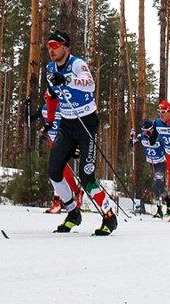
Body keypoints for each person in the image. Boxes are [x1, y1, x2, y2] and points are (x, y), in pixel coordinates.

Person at [43, 30, 118, 235]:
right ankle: (73, 212)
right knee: (54, 171)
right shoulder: (49, 68)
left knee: (87, 177)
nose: (52, 49)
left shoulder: (77, 64)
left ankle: (109, 216)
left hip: (86, 122)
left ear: (66, 47)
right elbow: (51, 95)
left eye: (56, 45)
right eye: (49, 45)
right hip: (66, 124)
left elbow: (89, 84)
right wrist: (50, 121)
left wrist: (66, 80)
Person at [131, 119, 169, 217]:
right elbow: (131, 144)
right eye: (144, 131)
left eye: (148, 131)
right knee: (157, 186)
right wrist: (131, 137)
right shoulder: (142, 136)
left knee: (158, 182)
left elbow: (168, 147)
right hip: (151, 163)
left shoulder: (159, 136)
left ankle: (163, 206)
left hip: (161, 163)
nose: (146, 133)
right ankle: (166, 202)